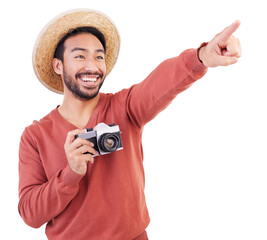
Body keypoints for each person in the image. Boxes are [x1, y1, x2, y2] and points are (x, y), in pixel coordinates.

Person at [18, 9, 241, 240]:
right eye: (80, 56)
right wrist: (71, 173)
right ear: (58, 66)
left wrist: (201, 56)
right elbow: (30, 214)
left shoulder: (125, 107)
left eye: (99, 56)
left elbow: (161, 82)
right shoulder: (35, 135)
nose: (92, 67)